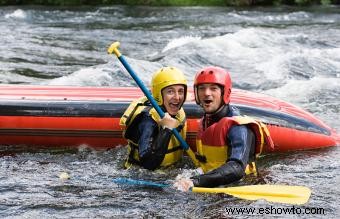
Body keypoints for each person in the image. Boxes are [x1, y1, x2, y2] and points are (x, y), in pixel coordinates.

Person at [174, 66, 273, 191]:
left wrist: (195, 181)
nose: (206, 93)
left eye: (213, 88)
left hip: (242, 185)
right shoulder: (206, 121)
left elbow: (236, 169)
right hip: (212, 182)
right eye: (202, 88)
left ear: (225, 93)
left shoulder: (238, 127)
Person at [120, 66, 188, 170]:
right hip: (141, 179)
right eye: (170, 91)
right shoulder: (147, 120)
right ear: (158, 94)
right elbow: (148, 164)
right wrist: (167, 129)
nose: (177, 97)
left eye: (180, 91)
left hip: (171, 171)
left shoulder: (177, 112)